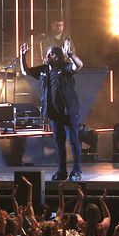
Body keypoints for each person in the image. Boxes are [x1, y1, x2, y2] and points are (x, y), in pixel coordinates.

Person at [19, 41, 84, 181]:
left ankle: (76, 171)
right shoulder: (43, 70)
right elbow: (25, 71)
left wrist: (71, 54)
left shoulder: (64, 68)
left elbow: (78, 65)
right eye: (47, 53)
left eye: (50, 53)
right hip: (54, 113)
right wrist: (22, 56)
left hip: (69, 111)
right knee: (59, 141)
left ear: (57, 57)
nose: (46, 55)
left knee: (73, 140)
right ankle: (61, 171)